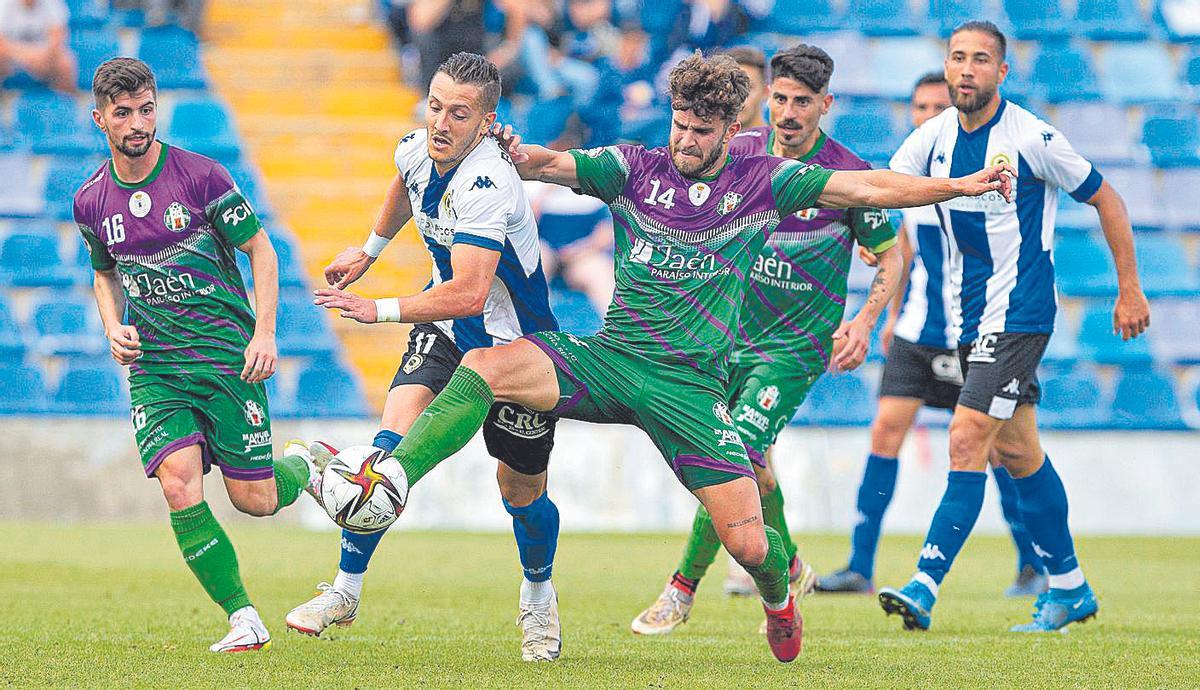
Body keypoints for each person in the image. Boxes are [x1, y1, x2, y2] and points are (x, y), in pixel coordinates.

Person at [350, 52, 1013, 663]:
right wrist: (517, 152)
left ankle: (780, 597)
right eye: (679, 125)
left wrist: (962, 186)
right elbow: (553, 164)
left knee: (750, 545)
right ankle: (390, 483)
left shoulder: (766, 179)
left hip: (691, 390)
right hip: (614, 359)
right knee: (489, 366)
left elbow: (869, 190)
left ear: (730, 130)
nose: (686, 141)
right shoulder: (635, 167)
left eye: (701, 131)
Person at [285, 53, 565, 663]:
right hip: (444, 332)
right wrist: (368, 252)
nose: (439, 123)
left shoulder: (488, 183)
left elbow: (469, 289)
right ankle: (344, 590)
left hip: (517, 351)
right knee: (384, 461)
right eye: (434, 106)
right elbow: (403, 184)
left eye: (458, 114)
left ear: (487, 121)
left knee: (521, 493)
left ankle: (539, 596)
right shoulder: (418, 146)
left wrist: (377, 307)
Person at [876, 21, 1150, 633]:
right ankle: (1071, 589)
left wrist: (1129, 289)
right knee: (1018, 450)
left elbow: (1108, 199)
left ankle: (925, 583)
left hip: (1021, 313)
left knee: (967, 437)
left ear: (1002, 72)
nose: (966, 69)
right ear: (946, 68)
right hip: (968, 320)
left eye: (980, 60)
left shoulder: (1031, 137)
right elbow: (889, 189)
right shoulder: (933, 138)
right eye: (957, 58)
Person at [628, 43, 904, 635]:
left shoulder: (846, 174)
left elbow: (891, 255)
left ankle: (682, 588)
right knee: (757, 474)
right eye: (779, 98)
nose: (787, 111)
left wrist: (863, 321)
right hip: (726, 341)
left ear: (824, 105)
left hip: (794, 351)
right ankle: (794, 564)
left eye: (802, 102)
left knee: (738, 456)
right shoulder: (742, 153)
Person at [72, 58, 320, 653]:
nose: (138, 123)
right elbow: (104, 275)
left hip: (227, 362)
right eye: (124, 113)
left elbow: (262, 251)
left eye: (147, 109)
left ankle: (308, 465)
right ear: (100, 118)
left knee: (254, 500)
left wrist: (264, 333)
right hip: (156, 369)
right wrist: (112, 326)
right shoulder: (90, 202)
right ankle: (243, 617)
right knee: (178, 485)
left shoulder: (202, 177)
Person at [818, 72, 1049, 598]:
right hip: (919, 330)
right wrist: (885, 317)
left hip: (982, 330)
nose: (925, 115)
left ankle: (1031, 564)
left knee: (998, 449)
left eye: (934, 106)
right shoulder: (910, 185)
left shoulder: (986, 176)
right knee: (884, 431)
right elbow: (897, 255)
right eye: (918, 106)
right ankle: (859, 564)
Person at [0, 0, 76, 92]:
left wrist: (43, 55)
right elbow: (2, 42)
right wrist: (28, 56)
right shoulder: (4, 4)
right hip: (12, 54)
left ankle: (65, 101)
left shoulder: (53, 3)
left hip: (44, 54)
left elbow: (58, 36)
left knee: (65, 63)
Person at [721, 45, 767, 129]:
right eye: (731, 87)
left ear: (766, 92)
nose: (738, 98)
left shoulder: (778, 141)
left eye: (748, 88)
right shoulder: (704, 140)